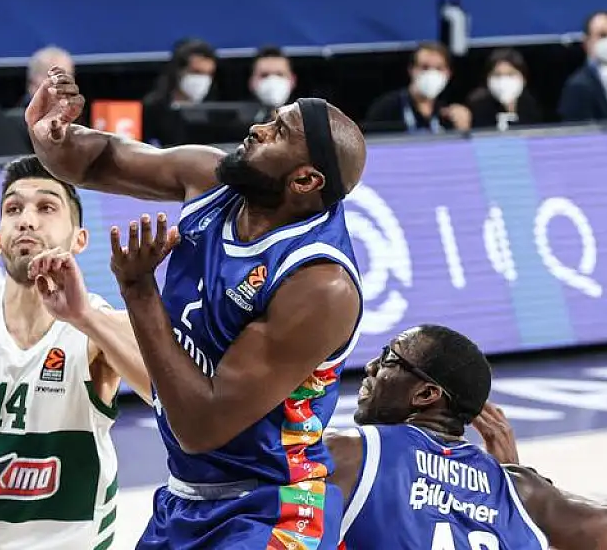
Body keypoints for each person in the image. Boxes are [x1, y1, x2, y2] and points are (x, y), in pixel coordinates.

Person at [28, 65, 368, 549]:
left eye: (278, 132)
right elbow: (98, 160)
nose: (257, 129)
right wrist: (51, 135)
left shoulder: (319, 284)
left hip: (271, 510)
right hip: (185, 497)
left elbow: (200, 426)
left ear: (305, 180)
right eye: (270, 119)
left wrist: (139, 291)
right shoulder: (210, 178)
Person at [0, 155, 151, 549]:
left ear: (79, 240)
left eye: (46, 207)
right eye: (13, 209)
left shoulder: (100, 328)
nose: (27, 220)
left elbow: (171, 404)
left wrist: (85, 318)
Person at [325, 325, 607, 550]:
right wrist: (515, 486)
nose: (370, 366)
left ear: (426, 394)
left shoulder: (349, 452)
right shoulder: (522, 491)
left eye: (389, 359)